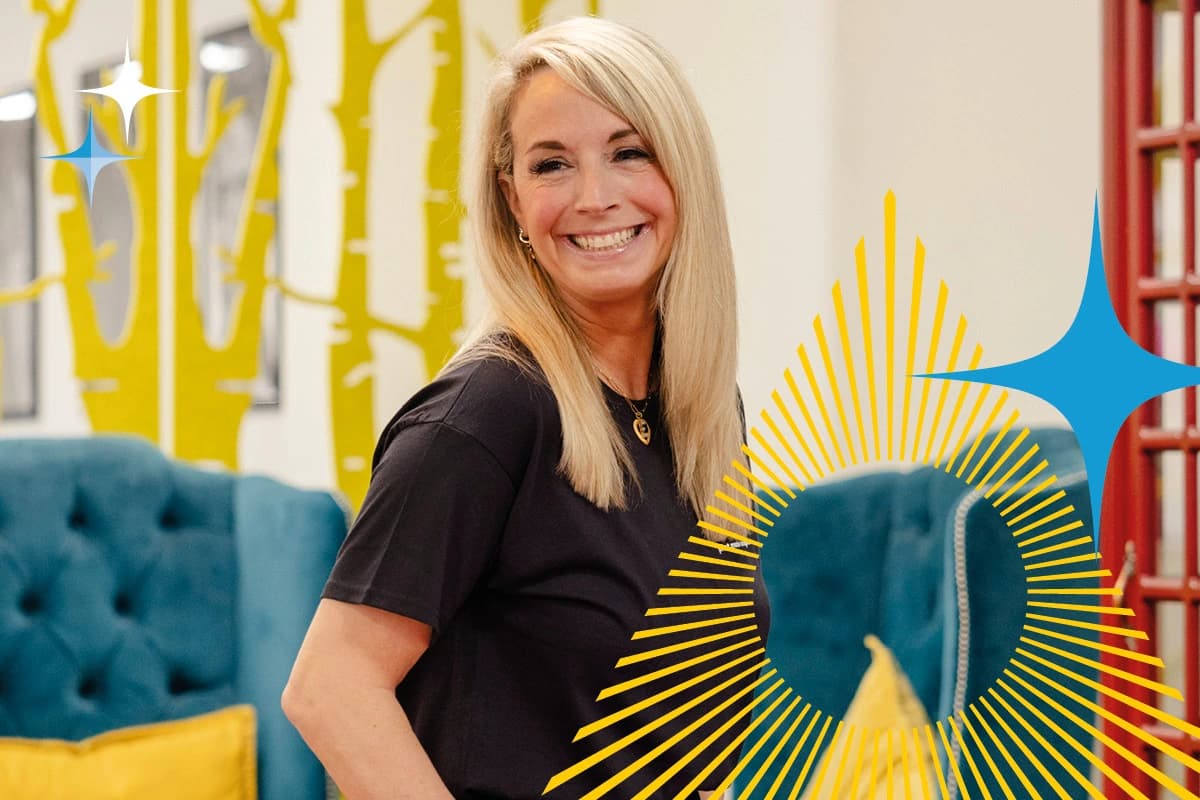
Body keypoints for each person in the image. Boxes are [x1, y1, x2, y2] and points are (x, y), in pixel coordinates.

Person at [282, 16, 771, 800]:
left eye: (629, 152)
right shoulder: (485, 413)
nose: (595, 197)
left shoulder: (705, 410)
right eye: (552, 165)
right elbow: (330, 687)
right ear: (512, 201)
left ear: (684, 170)